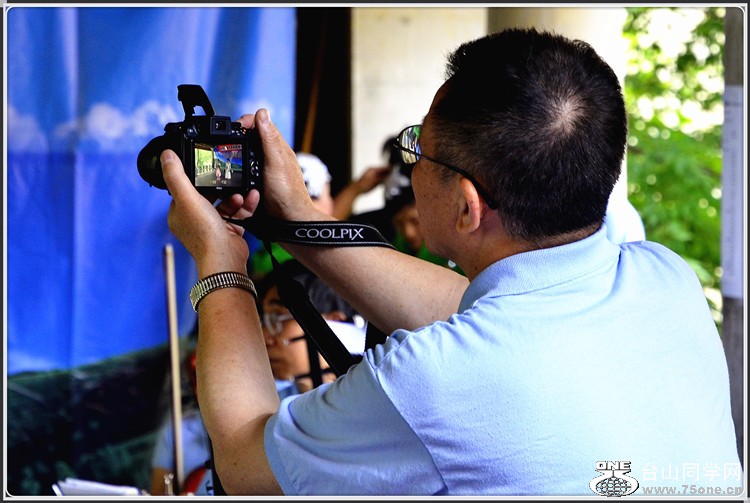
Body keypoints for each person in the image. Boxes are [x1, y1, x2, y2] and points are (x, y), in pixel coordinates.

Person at [159, 28, 740, 495]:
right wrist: (300, 217)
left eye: (419, 147)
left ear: (467, 206)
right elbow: (474, 314)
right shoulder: (665, 279)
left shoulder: (432, 381)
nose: (411, 166)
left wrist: (220, 261)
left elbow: (243, 461)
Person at [257, 259, 365, 396]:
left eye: (277, 318)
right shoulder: (268, 400)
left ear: (335, 322)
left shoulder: (371, 395)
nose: (264, 337)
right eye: (264, 322)